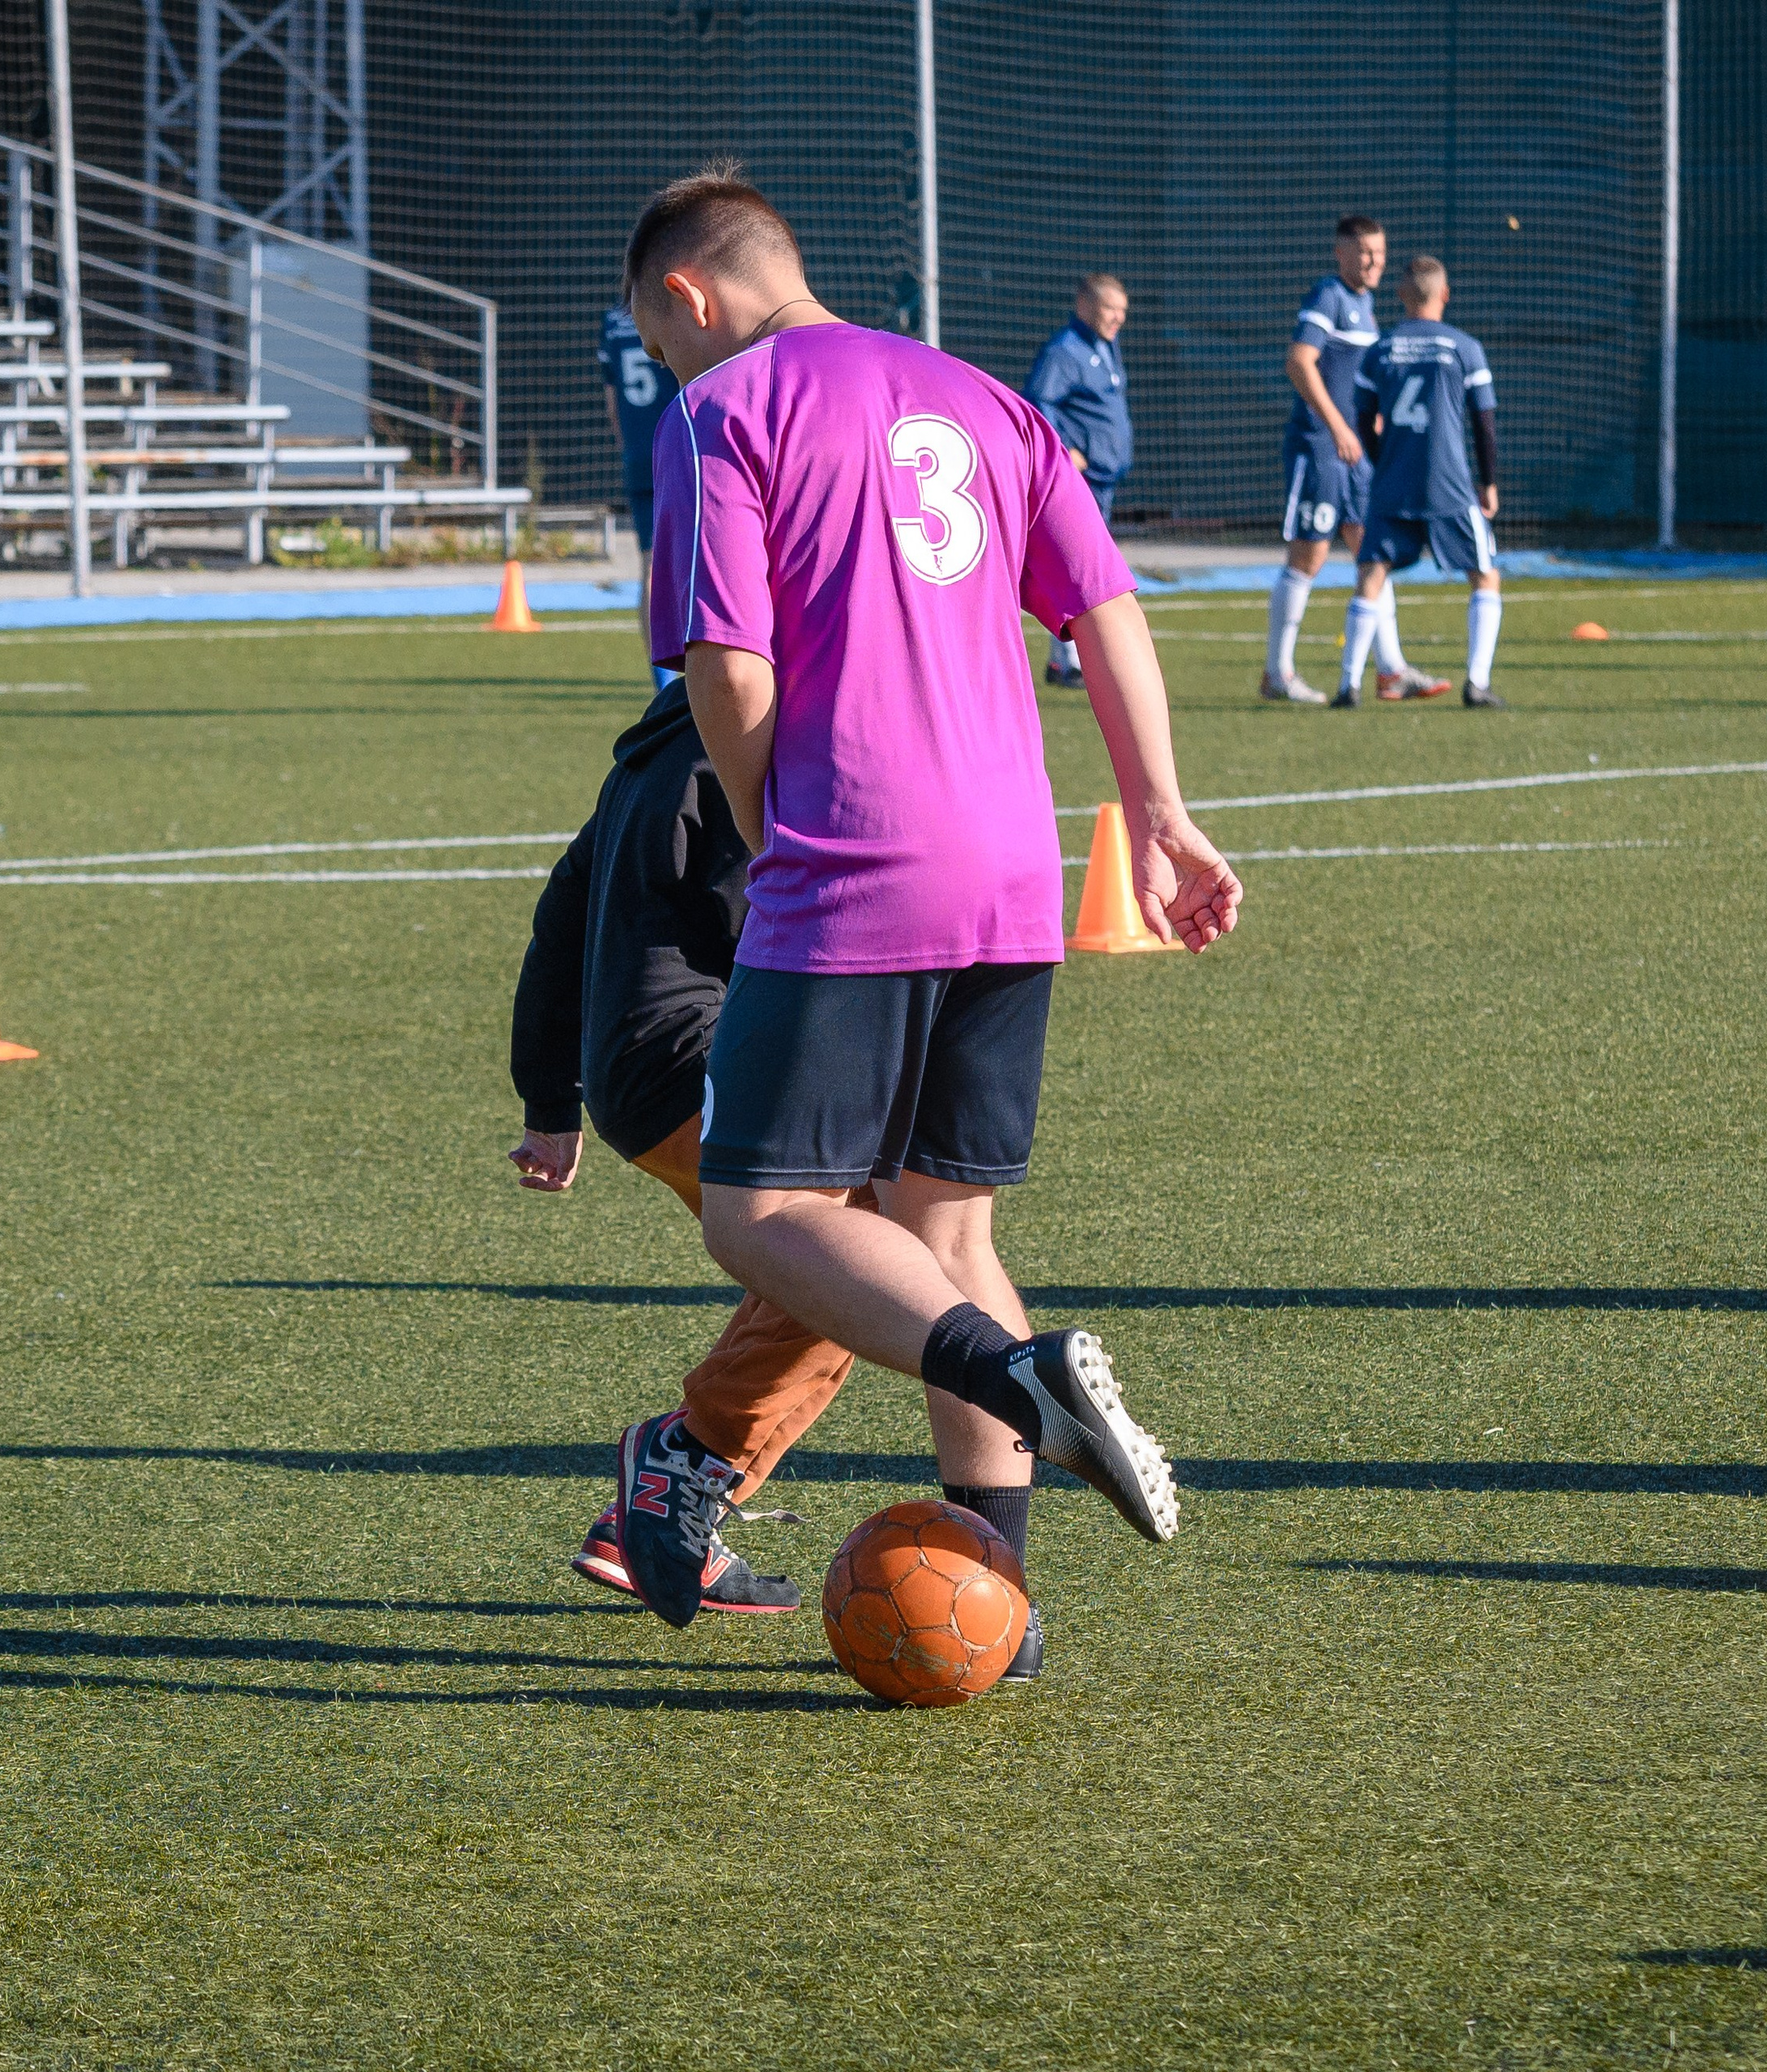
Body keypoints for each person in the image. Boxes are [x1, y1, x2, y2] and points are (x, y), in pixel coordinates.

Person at [614, 162, 1242, 1634]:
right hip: (1016, 870)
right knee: (946, 1233)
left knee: (762, 1211)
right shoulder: (987, 397)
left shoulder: (723, 409)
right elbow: (1105, 609)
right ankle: (998, 1612)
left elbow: (725, 659)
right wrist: (1160, 815)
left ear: (693, 300)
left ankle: (1010, 1371)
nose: (672, 368)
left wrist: (780, 836)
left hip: (855, 861)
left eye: (661, 342)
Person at [507, 669, 1049, 1677]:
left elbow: (561, 912)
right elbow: (799, 930)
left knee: (844, 1255)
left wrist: (549, 1102)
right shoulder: (764, 739)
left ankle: (669, 1498)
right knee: (850, 1257)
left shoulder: (658, 745)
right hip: (698, 1051)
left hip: (636, 1066)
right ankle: (689, 1457)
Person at [1264, 216, 1447, 706]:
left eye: (1380, 255)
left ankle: (1391, 671)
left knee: (1373, 552)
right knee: (1310, 555)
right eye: (1364, 253)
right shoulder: (1329, 296)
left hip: (1357, 456)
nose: (1373, 263)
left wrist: (1372, 428)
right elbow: (1299, 360)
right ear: (1340, 252)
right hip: (1320, 448)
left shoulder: (1366, 308)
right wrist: (1339, 427)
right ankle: (1276, 673)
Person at [1337, 255, 1506, 710]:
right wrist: (1488, 482)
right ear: (1445, 295)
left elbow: (1362, 416)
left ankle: (1348, 686)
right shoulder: (1463, 348)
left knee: (1371, 574)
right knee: (1484, 574)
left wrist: (1381, 460)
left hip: (1393, 481)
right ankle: (1477, 683)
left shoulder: (1380, 349)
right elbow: (1483, 422)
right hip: (1448, 482)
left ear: (1400, 296)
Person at [1026, 273, 1132, 685]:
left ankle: (1067, 660)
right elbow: (1039, 403)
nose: (1117, 318)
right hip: (1080, 482)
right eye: (1110, 308)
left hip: (1105, 478)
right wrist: (1064, 451)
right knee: (1078, 568)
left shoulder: (1106, 346)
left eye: (1123, 310)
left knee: (1085, 568)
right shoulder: (1064, 352)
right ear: (1085, 306)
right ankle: (1064, 661)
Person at [597, 299, 682, 679]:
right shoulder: (672, 311)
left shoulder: (612, 321)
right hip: (682, 449)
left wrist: (628, 449)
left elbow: (613, 400)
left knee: (649, 568)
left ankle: (663, 685)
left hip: (639, 455)